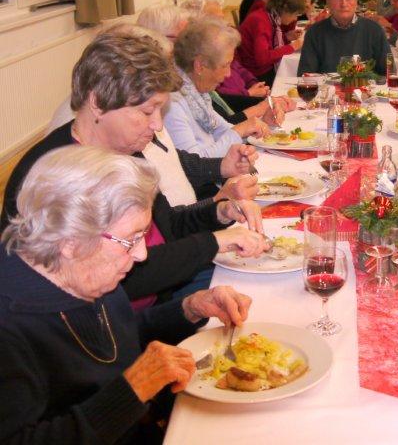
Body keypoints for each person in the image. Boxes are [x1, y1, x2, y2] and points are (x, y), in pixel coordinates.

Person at [0, 145, 255, 444]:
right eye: (130, 240)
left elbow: (116, 338)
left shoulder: (81, 272)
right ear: (70, 241)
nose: (141, 254)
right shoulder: (10, 326)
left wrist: (188, 309)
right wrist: (133, 390)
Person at [1, 31, 269, 307]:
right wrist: (214, 243)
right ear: (98, 102)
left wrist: (219, 211)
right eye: (147, 112)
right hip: (123, 316)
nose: (158, 125)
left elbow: (166, 226)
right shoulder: (55, 176)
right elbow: (119, 278)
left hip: (164, 292)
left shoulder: (126, 150)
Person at [165, 18, 271, 158]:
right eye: (225, 65)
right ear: (200, 66)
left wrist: (256, 127)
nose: (228, 74)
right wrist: (240, 131)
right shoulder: (172, 103)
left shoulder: (197, 93)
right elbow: (196, 162)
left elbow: (223, 130)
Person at [297, 0, 390, 75]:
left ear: (356, 1)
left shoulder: (374, 30)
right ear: (328, 1)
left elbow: (388, 73)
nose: (343, 4)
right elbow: (305, 75)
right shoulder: (315, 32)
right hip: (325, 85)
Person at [235, 0, 295, 83]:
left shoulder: (268, 13)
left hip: (265, 70)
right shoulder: (260, 18)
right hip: (257, 76)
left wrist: (286, 38)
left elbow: (270, 43)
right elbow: (263, 58)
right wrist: (292, 47)